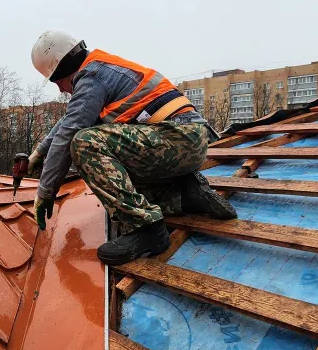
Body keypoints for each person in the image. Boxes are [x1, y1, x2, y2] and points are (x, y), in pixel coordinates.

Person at [28, 29, 237, 265]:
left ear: (63, 68)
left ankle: (146, 228)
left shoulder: (90, 77)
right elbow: (69, 120)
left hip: (176, 139)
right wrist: (39, 153)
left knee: (84, 143)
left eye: (56, 81)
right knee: (117, 176)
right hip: (186, 142)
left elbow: (69, 132)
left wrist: (45, 192)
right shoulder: (99, 69)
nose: (60, 90)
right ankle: (185, 195)